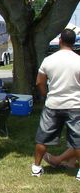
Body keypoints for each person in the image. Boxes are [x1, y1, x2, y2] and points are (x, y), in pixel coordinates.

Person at [32, 28, 80, 180]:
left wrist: (46, 95)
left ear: (60, 40)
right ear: (74, 42)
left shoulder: (49, 60)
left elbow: (39, 81)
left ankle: (36, 168)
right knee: (78, 141)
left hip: (53, 104)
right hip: (75, 105)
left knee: (42, 139)